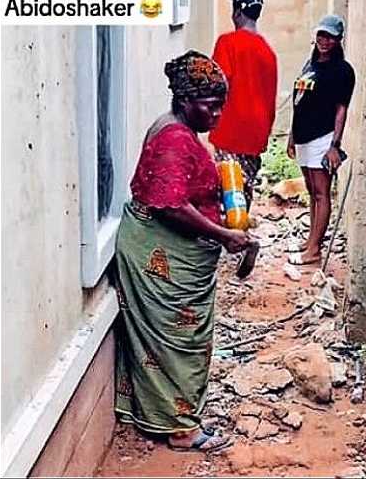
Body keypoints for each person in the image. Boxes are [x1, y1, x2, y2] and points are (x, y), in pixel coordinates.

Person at [114, 50, 255, 451]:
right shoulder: (175, 138)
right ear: (185, 101)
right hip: (159, 256)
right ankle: (180, 429)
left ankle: (159, 414)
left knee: (175, 339)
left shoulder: (175, 128)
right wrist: (223, 234)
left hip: (169, 251)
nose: (218, 115)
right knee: (178, 340)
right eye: (211, 107)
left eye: (221, 106)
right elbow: (171, 204)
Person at [286, 14, 356, 265]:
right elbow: (299, 102)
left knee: (321, 193)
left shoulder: (342, 71)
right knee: (311, 192)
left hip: (322, 138)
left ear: (338, 40)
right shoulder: (310, 65)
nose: (324, 41)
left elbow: (341, 109)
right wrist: (292, 137)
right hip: (304, 137)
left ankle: (314, 250)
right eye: (321, 35)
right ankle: (311, 240)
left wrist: (334, 146)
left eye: (330, 37)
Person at [209, 0, 279, 212]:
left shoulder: (227, 43)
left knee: (227, 191)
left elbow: (219, 84)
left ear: (237, 12)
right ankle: (240, 237)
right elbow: (270, 97)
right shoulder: (268, 52)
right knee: (243, 191)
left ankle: (229, 240)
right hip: (256, 132)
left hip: (230, 128)